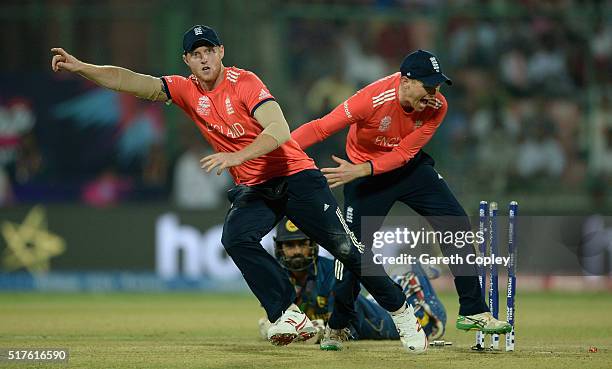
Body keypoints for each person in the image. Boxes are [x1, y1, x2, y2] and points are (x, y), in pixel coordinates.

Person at [50, 25, 428, 353]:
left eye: (209, 51)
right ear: (187, 60)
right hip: (257, 187)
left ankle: (403, 314)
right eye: (196, 54)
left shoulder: (245, 82)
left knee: (347, 249)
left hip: (296, 178)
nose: (204, 59)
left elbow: (279, 131)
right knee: (235, 238)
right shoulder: (185, 90)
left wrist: (236, 157)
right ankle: (287, 314)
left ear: (221, 53)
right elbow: (129, 80)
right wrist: (82, 68)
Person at [292, 49, 511, 350]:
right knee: (352, 253)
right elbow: (320, 127)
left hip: (406, 170)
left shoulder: (438, 106)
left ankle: (474, 310)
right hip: (365, 180)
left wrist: (362, 168)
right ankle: (338, 325)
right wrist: (277, 151)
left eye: (437, 86)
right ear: (406, 81)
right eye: (428, 86)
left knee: (456, 222)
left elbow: (405, 153)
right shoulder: (370, 99)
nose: (434, 94)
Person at [258, 219, 447, 350]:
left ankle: (413, 272)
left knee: (430, 321)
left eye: (302, 244)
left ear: (313, 245)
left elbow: (346, 326)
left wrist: (317, 331)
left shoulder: (332, 272)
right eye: (290, 245)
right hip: (364, 308)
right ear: (279, 248)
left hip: (382, 321)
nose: (297, 251)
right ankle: (401, 278)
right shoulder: (275, 279)